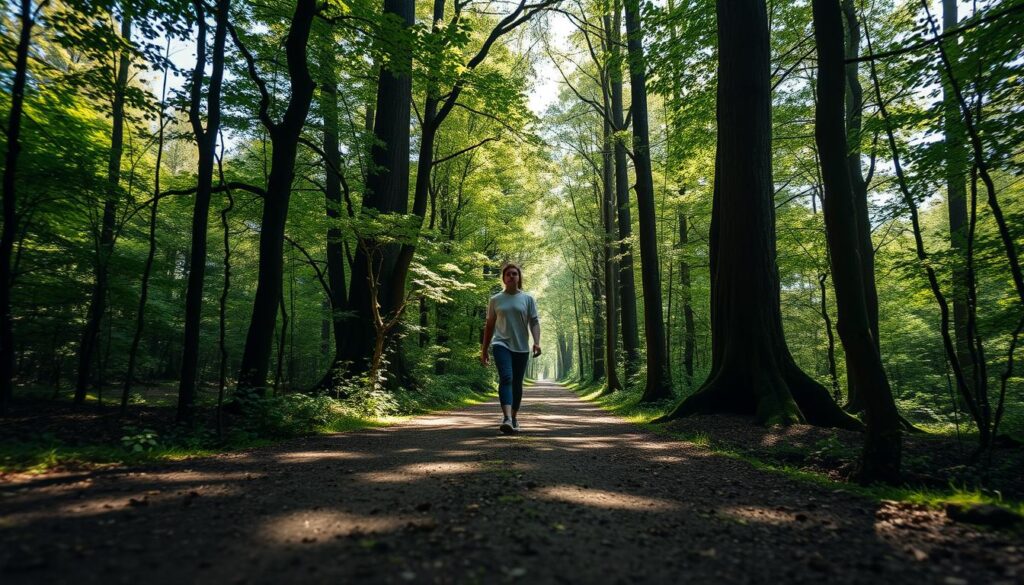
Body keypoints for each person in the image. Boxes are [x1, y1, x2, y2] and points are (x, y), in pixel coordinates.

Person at [481, 262, 541, 434]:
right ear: (503, 278)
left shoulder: (528, 299)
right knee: (506, 378)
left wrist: (537, 342)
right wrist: (484, 350)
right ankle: (506, 418)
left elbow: (534, 322)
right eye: (508, 274)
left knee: (517, 383)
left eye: (515, 273)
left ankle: (514, 417)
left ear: (519, 277)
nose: (511, 276)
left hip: (521, 347)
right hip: (501, 344)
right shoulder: (495, 300)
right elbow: (489, 326)